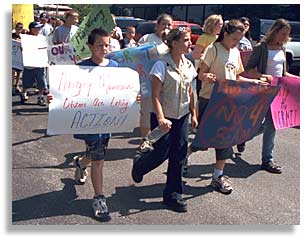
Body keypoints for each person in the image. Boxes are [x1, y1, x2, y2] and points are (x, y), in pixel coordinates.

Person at [48, 28, 139, 219]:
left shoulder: (115, 66)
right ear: (90, 46)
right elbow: (66, 92)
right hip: (89, 123)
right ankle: (99, 198)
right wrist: (54, 97)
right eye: (100, 45)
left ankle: (80, 163)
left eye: (107, 45)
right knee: (98, 160)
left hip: (107, 122)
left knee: (96, 154)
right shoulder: (81, 68)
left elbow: (122, 92)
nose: (104, 49)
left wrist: (133, 98)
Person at [196, 19, 267, 194]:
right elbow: (200, 74)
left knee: (224, 139)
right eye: (234, 39)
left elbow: (237, 77)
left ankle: (217, 177)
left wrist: (254, 82)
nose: (236, 43)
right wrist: (207, 77)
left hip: (228, 102)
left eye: (239, 39)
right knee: (204, 139)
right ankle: (185, 157)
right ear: (225, 34)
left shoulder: (235, 52)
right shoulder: (213, 49)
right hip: (210, 99)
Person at [132, 28, 198, 212]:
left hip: (182, 116)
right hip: (163, 116)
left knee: (179, 153)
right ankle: (140, 165)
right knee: (161, 151)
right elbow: (155, 95)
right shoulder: (161, 65)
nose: (189, 43)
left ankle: (173, 195)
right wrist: (161, 118)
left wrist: (194, 113)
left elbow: (191, 91)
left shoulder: (189, 64)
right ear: (174, 43)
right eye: (185, 40)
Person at [245, 18, 299, 174]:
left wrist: (296, 79)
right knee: (256, 122)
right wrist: (264, 76)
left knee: (272, 124)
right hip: (263, 90)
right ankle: (242, 137)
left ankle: (267, 160)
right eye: (282, 34)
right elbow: (249, 69)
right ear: (274, 32)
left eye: (287, 35)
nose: (284, 38)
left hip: (278, 92)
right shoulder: (261, 48)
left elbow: (282, 73)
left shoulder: (282, 48)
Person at [137, 13, 173, 139]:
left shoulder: (171, 41)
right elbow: (137, 56)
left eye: (169, 25)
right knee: (146, 113)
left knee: (162, 112)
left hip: (166, 83)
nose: (166, 27)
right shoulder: (147, 38)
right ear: (157, 25)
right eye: (164, 24)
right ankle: (145, 140)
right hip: (147, 80)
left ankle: (157, 139)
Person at [192, 14, 223, 97]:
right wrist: (209, 56)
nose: (222, 27)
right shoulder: (204, 37)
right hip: (203, 69)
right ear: (213, 25)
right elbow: (196, 54)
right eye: (220, 24)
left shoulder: (220, 38)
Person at [20, 21, 48, 106]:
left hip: (40, 64)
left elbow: (45, 48)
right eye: (36, 28)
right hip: (29, 65)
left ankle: (40, 97)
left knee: (41, 82)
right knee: (26, 82)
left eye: (39, 28)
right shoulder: (26, 38)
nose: (38, 29)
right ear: (31, 29)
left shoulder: (42, 37)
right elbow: (22, 49)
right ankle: (23, 93)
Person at [12, 22, 23, 94]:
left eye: (21, 27)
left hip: (20, 56)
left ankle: (17, 85)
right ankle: (12, 85)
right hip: (12, 56)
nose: (20, 29)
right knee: (12, 72)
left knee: (19, 72)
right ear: (16, 28)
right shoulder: (11, 35)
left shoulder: (23, 37)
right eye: (19, 27)